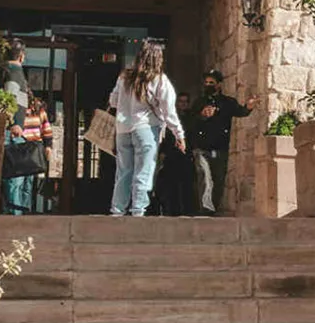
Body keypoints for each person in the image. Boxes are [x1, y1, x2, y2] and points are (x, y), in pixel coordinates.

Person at [107, 40, 183, 218]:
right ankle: (138, 211)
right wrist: (179, 134)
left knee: (124, 172)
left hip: (123, 129)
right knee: (144, 170)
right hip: (146, 129)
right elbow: (169, 110)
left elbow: (113, 101)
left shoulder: (125, 76)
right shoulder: (159, 79)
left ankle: (117, 210)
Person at [188, 70, 252, 215]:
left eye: (211, 83)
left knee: (218, 180)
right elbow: (190, 122)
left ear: (219, 85)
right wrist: (202, 116)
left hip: (220, 147)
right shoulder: (199, 102)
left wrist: (249, 106)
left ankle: (212, 208)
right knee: (205, 177)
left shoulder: (228, 102)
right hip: (202, 147)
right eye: (206, 82)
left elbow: (241, 111)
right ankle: (206, 209)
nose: (208, 85)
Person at [0, 90, 51, 216]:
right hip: (19, 148)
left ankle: (24, 211)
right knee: (15, 183)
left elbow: (46, 128)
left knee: (28, 184)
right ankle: (15, 212)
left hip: (33, 149)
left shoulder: (38, 109)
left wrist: (48, 146)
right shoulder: (11, 112)